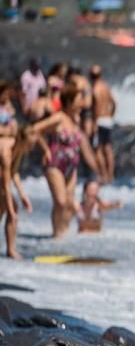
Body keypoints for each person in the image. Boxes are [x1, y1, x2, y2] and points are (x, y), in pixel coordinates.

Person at [24, 82, 99, 237]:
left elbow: (82, 145)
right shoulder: (58, 118)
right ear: (70, 102)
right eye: (79, 100)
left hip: (72, 167)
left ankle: (64, 233)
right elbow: (35, 129)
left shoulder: (76, 120)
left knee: (70, 204)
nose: (82, 103)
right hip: (55, 165)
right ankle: (56, 235)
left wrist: (96, 168)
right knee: (61, 201)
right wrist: (45, 150)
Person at [1, 84, 35, 259]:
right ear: (22, 139)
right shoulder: (6, 151)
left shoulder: (19, 149)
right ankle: (10, 249)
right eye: (30, 144)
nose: (32, 148)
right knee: (10, 207)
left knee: (8, 207)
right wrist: (12, 208)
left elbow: (14, 173)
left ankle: (10, 249)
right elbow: (6, 182)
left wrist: (23, 195)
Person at [90, 65, 116, 184]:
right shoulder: (106, 86)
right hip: (108, 120)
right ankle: (111, 175)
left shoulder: (94, 89)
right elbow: (114, 102)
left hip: (99, 120)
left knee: (98, 149)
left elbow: (95, 109)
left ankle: (103, 174)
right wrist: (111, 115)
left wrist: (94, 123)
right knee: (108, 148)